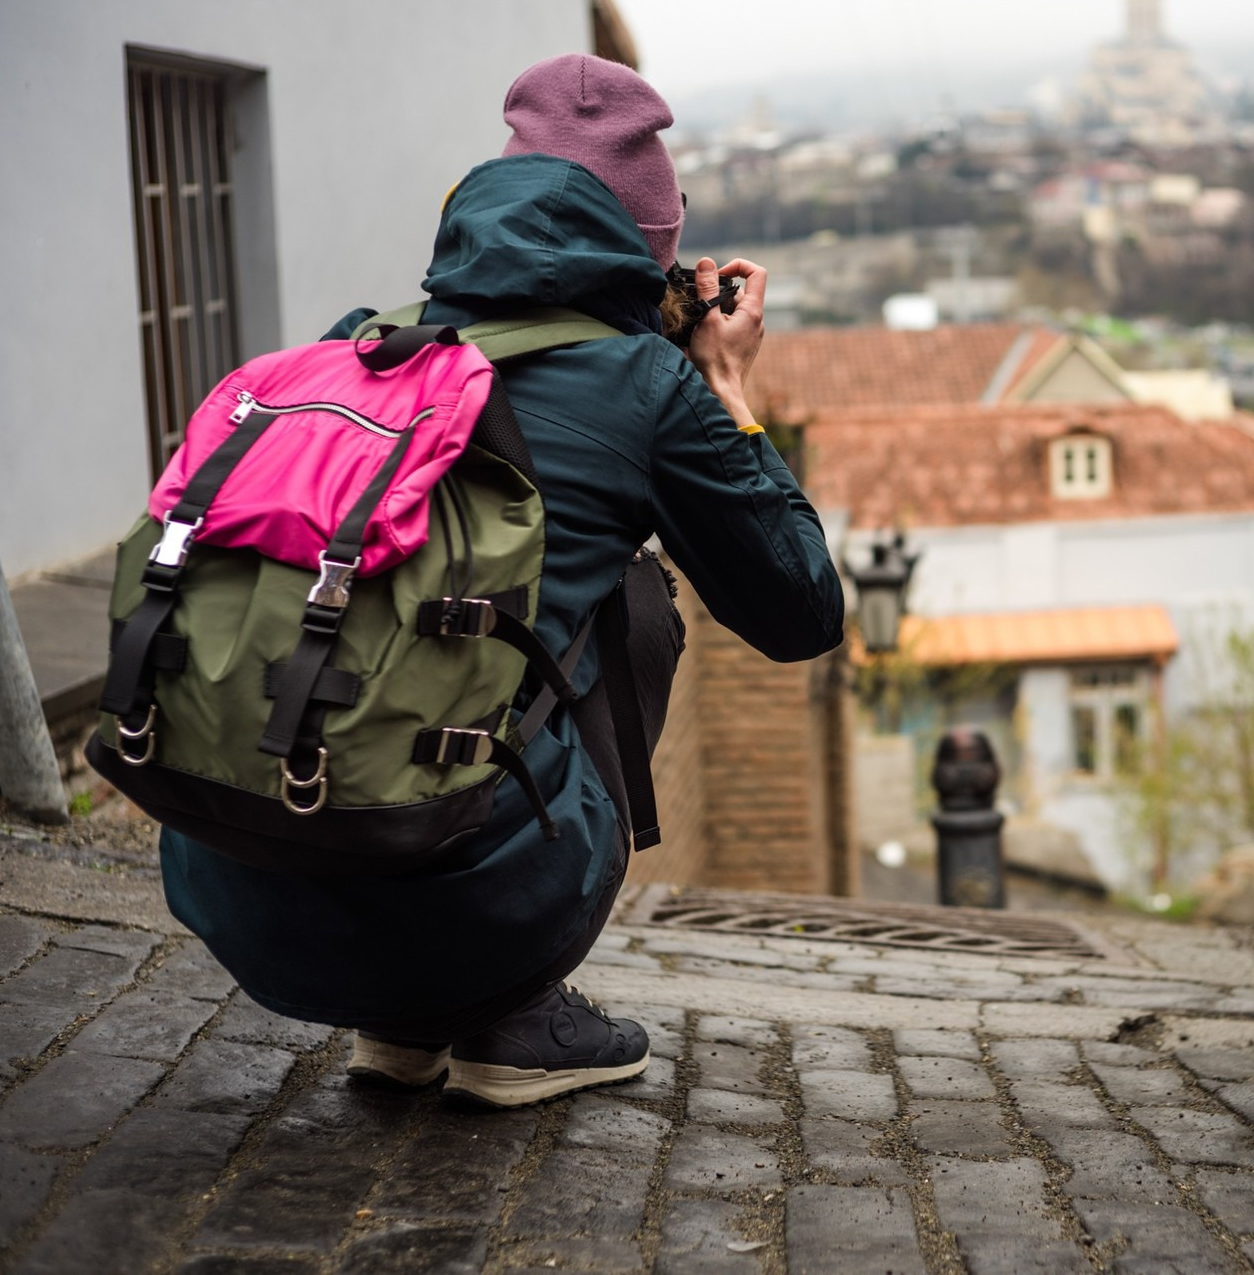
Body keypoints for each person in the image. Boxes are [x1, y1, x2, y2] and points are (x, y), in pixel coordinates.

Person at [159, 54, 844, 1107]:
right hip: (480, 917)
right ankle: (511, 1010)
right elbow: (801, 612)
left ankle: (405, 1019)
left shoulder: (359, 345)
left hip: (240, 887)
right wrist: (721, 382)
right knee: (631, 598)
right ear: (650, 253)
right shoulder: (650, 384)